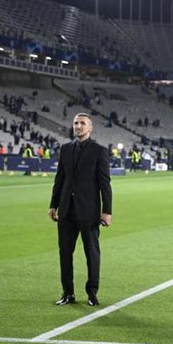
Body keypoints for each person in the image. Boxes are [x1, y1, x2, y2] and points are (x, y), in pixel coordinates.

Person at [48, 113, 112, 306]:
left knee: (91, 254)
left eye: (82, 123)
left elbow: (105, 184)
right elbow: (60, 179)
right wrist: (53, 204)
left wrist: (107, 211)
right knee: (65, 253)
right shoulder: (65, 149)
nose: (78, 126)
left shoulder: (99, 151)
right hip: (66, 211)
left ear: (90, 128)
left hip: (89, 212)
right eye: (76, 123)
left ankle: (92, 293)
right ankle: (68, 293)